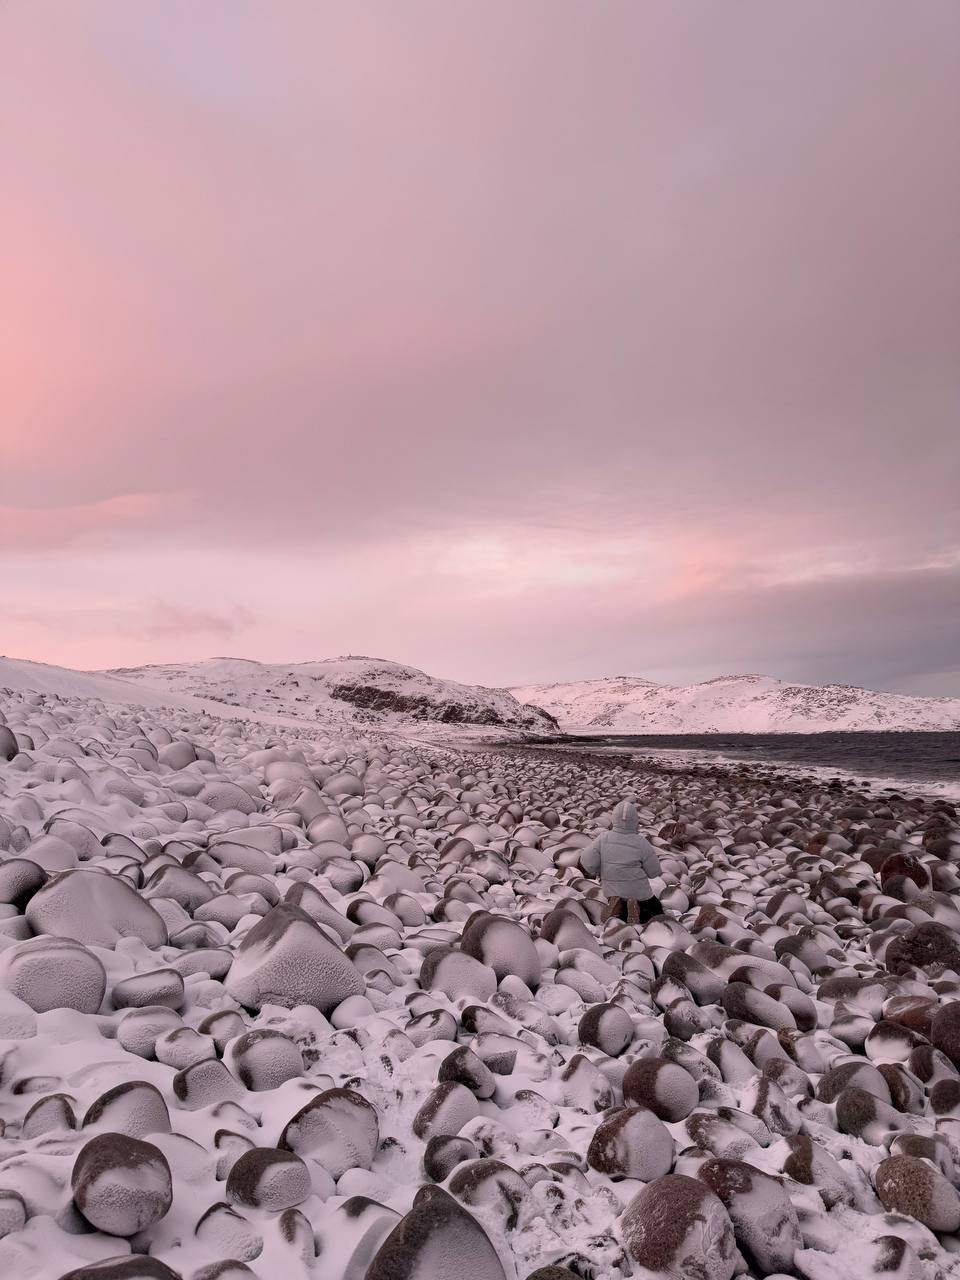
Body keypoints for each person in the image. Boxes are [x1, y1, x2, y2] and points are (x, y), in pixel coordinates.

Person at [579, 799, 663, 924]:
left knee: (621, 912)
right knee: (656, 910)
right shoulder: (641, 842)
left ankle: (617, 906)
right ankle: (635, 911)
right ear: (635, 820)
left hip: (612, 891)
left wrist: (597, 870)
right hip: (640, 893)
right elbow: (654, 872)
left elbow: (587, 861)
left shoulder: (603, 838)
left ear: (614, 819)